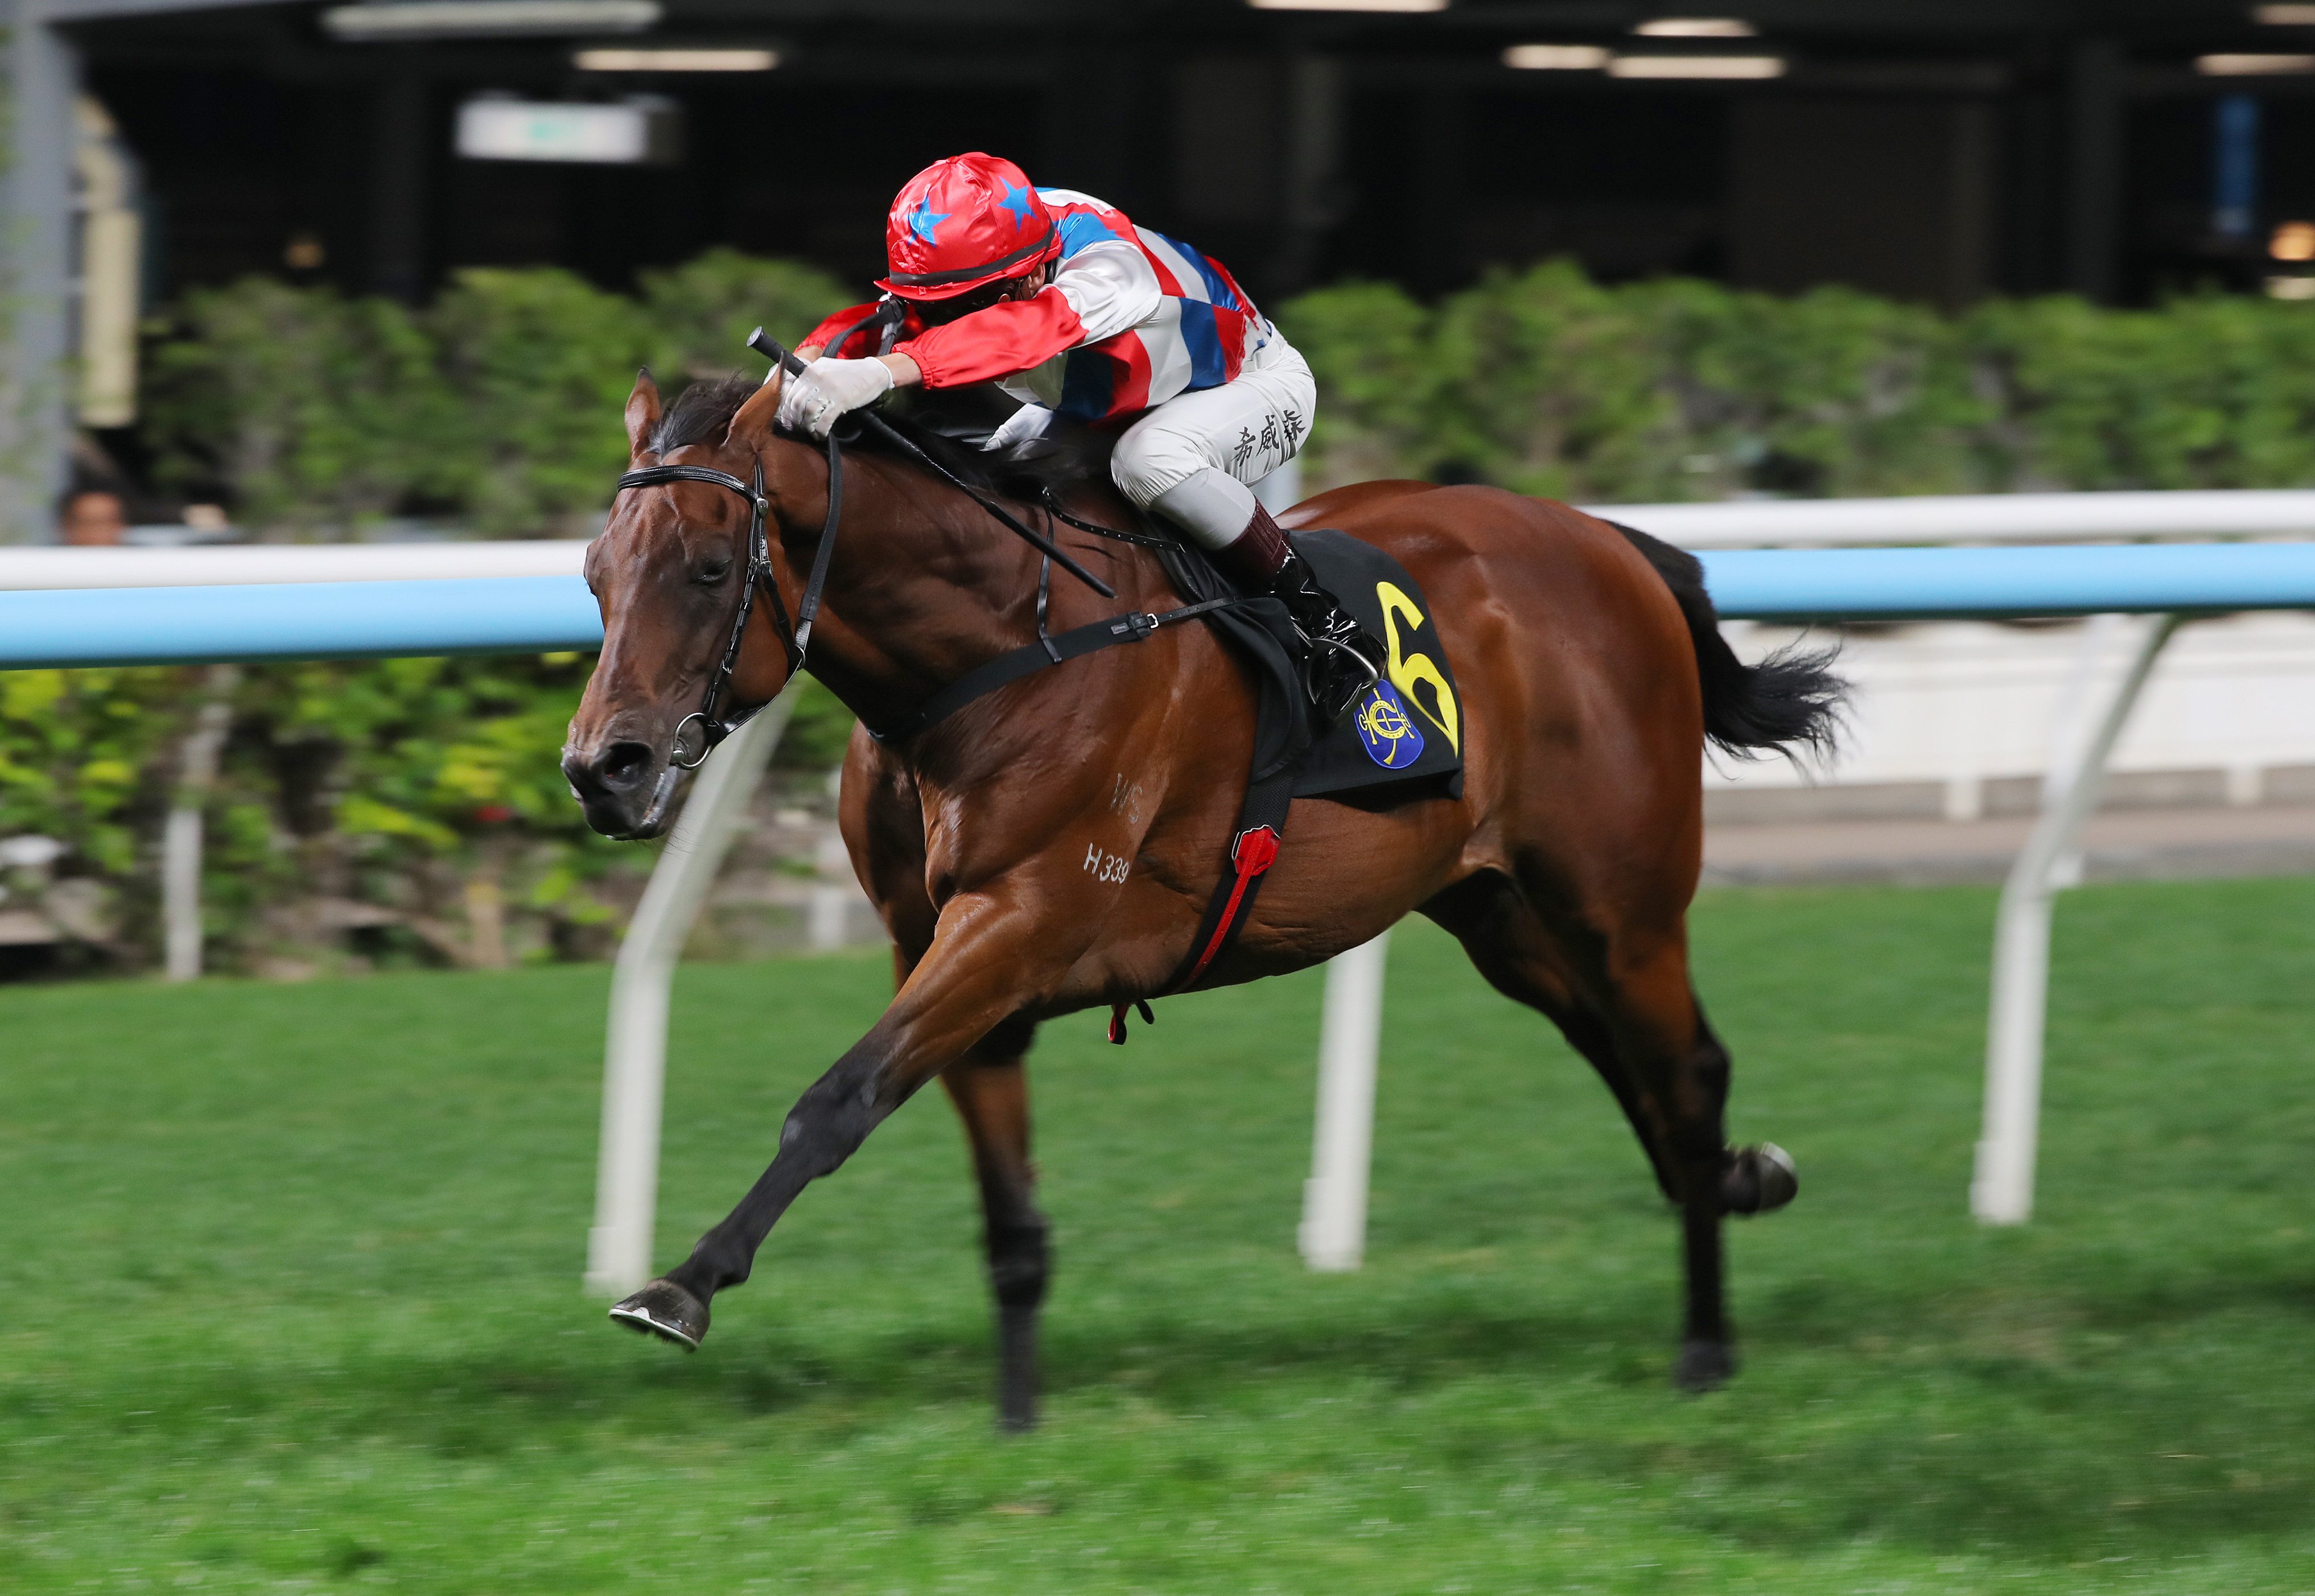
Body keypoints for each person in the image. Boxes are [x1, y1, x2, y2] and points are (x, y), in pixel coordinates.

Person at [780, 152, 1379, 720]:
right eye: (942, 308)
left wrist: (885, 371)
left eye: (972, 304)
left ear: (1035, 269)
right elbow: (888, 316)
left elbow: (1022, 332)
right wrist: (806, 360)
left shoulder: (1108, 270)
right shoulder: (987, 245)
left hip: (1250, 386)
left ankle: (1328, 622)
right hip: (1109, 403)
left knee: (1149, 461)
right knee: (999, 475)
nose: (954, 321)